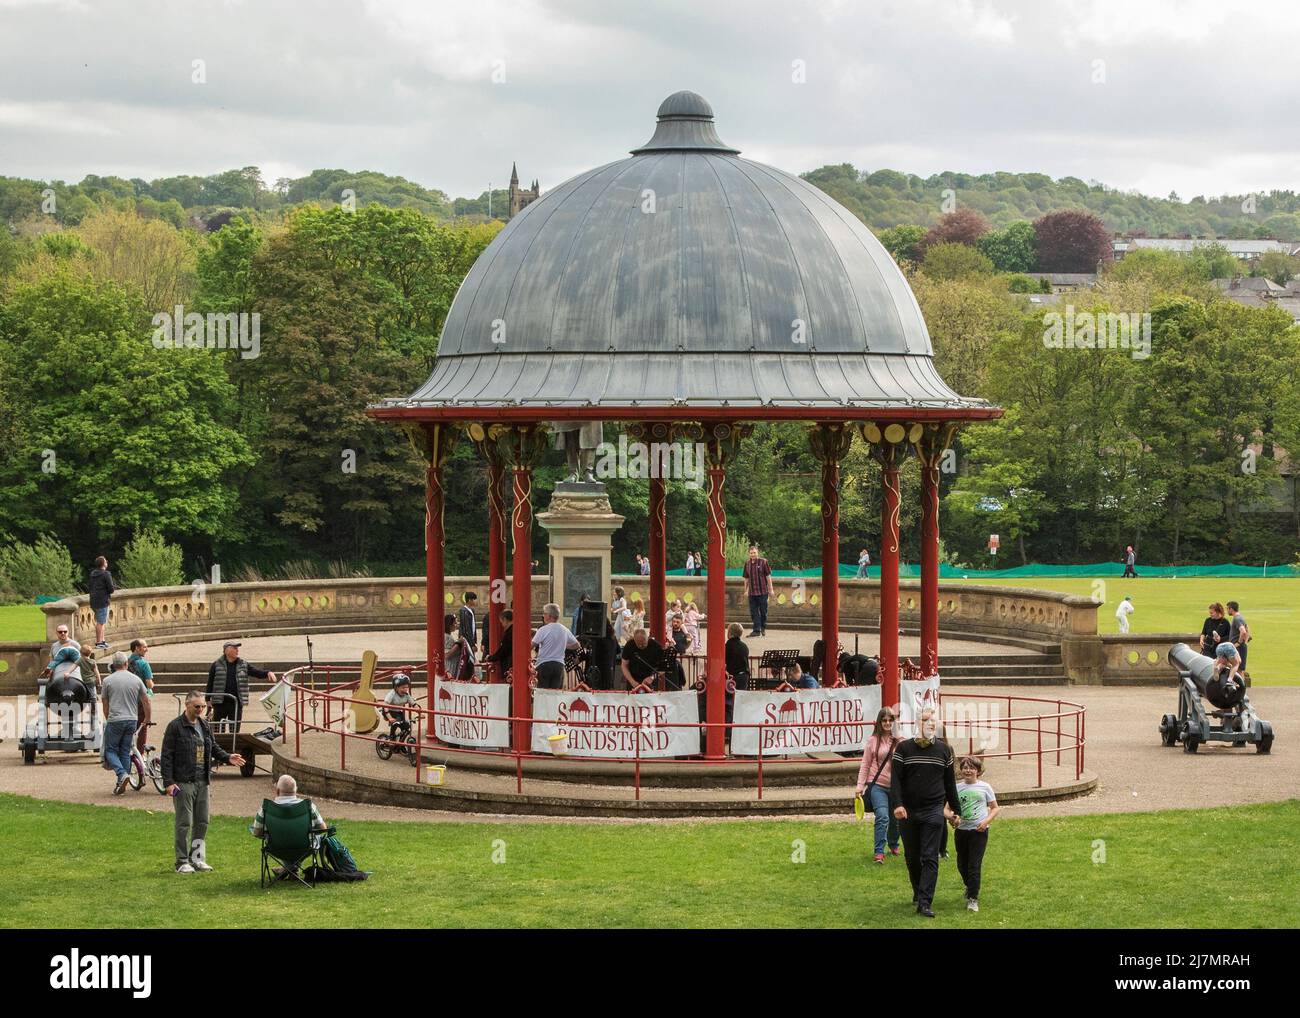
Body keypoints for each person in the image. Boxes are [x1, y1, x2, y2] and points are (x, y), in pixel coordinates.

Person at [162, 691, 245, 873]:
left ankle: (197, 858)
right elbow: (166, 755)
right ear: (187, 705)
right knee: (184, 822)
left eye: (203, 706)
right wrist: (168, 782)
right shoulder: (175, 727)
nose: (200, 709)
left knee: (202, 821)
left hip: (203, 780)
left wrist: (228, 757)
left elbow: (212, 747)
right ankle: (182, 861)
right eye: (197, 706)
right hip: (183, 782)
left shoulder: (205, 725)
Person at [890, 707, 961, 917]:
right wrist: (897, 805)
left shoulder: (943, 750)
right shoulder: (903, 749)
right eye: (925, 720)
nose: (930, 723)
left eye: (933, 720)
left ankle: (925, 901)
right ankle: (918, 891)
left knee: (930, 856)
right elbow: (895, 782)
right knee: (912, 857)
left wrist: (956, 810)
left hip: (933, 810)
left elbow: (950, 783)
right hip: (908, 811)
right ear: (916, 724)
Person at [948, 756, 998, 912]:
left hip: (979, 831)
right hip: (961, 831)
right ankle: (970, 887)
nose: (968, 770)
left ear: (978, 771)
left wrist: (986, 821)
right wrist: (952, 817)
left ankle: (972, 899)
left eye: (971, 768)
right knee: (962, 864)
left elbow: (995, 807)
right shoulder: (956, 788)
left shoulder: (985, 787)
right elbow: (946, 809)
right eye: (965, 767)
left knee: (974, 865)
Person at [855, 707, 901, 863]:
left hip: (895, 787)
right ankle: (879, 852)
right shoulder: (873, 740)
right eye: (884, 720)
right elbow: (865, 764)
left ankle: (893, 843)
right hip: (877, 785)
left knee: (896, 820)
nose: (887, 723)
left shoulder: (900, 740)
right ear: (879, 722)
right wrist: (860, 786)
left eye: (890, 720)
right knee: (882, 816)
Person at [101, 651, 150, 795]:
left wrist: (108, 717)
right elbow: (146, 700)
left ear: (113, 665)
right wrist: (147, 718)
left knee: (109, 750)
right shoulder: (136, 679)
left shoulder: (107, 681)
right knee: (124, 750)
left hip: (115, 719)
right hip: (132, 719)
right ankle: (122, 781)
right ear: (126, 664)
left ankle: (122, 774)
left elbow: (105, 703)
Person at [205, 640, 274, 733]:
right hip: (219, 703)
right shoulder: (216, 664)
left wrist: (267, 673)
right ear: (226, 650)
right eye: (234, 648)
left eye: (237, 648)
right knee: (217, 730)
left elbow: (256, 672)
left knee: (234, 730)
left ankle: (231, 747)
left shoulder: (243, 664)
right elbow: (210, 682)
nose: (237, 650)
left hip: (236, 703)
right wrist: (208, 700)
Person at [252, 774, 327, 837]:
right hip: (304, 848)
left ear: (277, 791)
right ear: (296, 790)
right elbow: (322, 828)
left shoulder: (266, 807)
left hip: (275, 848)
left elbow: (257, 832)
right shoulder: (308, 806)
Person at [532, 603, 579, 690]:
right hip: (559, 665)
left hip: (544, 664)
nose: (543, 616)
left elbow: (532, 645)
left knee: (543, 693)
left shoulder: (543, 630)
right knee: (555, 694)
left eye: (544, 614)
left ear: (549, 616)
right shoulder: (564, 629)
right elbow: (576, 645)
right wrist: (564, 645)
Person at [620, 628, 666, 692]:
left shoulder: (655, 646)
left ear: (648, 638)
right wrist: (632, 682)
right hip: (633, 679)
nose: (642, 646)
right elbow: (624, 665)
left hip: (651, 679)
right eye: (639, 644)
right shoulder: (629, 645)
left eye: (644, 643)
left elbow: (664, 667)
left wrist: (652, 677)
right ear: (634, 640)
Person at [87, 555, 117, 651]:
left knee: (102, 621)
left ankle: (102, 641)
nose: (107, 562)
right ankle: (99, 642)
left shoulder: (93, 574)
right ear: (104, 564)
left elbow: (91, 586)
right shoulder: (106, 574)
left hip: (94, 600)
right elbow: (111, 589)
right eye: (106, 561)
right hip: (103, 601)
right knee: (100, 622)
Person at [742, 544, 772, 637]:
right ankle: (756, 630)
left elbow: (768, 576)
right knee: (754, 612)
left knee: (763, 612)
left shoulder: (763, 562)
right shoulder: (747, 564)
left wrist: (771, 589)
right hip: (752, 592)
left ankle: (762, 627)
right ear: (749, 554)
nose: (753, 555)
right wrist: (746, 590)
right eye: (751, 553)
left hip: (763, 591)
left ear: (757, 553)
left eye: (754, 553)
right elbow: (746, 578)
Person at [1207, 643, 1246, 712]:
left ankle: (1217, 668)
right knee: (1236, 664)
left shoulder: (1227, 659)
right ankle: (1230, 679)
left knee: (1223, 664)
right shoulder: (1235, 654)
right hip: (1229, 648)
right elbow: (1237, 662)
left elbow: (1227, 664)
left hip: (1219, 648)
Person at [382, 673, 416, 741]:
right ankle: (391, 738)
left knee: (406, 726)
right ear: (396, 687)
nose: (405, 690)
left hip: (398, 712)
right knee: (396, 723)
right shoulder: (392, 694)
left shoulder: (406, 694)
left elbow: (413, 704)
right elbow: (385, 704)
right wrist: (390, 718)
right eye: (403, 688)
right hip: (389, 711)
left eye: (407, 687)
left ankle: (401, 744)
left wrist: (420, 712)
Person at [485, 609, 513, 681]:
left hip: (509, 665)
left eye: (502, 622)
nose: (502, 625)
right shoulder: (514, 630)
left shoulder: (509, 633)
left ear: (505, 619)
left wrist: (491, 658)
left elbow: (503, 650)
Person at [444, 613, 472, 681]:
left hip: (454, 665)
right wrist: (458, 643)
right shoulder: (446, 637)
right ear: (449, 624)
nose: (457, 624)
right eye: (455, 623)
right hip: (450, 666)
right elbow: (447, 655)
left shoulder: (449, 636)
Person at [1226, 600, 1250, 676]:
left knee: (1238, 670)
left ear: (1231, 609)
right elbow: (1247, 629)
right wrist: (1245, 641)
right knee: (1237, 669)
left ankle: (1241, 687)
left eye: (1227, 609)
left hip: (1238, 647)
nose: (1227, 611)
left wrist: (1239, 643)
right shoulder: (1240, 617)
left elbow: (1243, 631)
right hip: (1240, 647)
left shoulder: (1237, 619)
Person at [724, 622, 750, 687]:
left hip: (734, 676)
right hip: (745, 676)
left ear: (730, 633)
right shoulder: (744, 646)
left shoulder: (728, 645)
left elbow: (724, 660)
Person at [458, 592, 479, 660]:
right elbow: (466, 628)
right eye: (474, 599)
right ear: (470, 600)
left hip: (471, 640)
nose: (475, 601)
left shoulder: (472, 610)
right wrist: (471, 644)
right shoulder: (464, 611)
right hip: (467, 641)